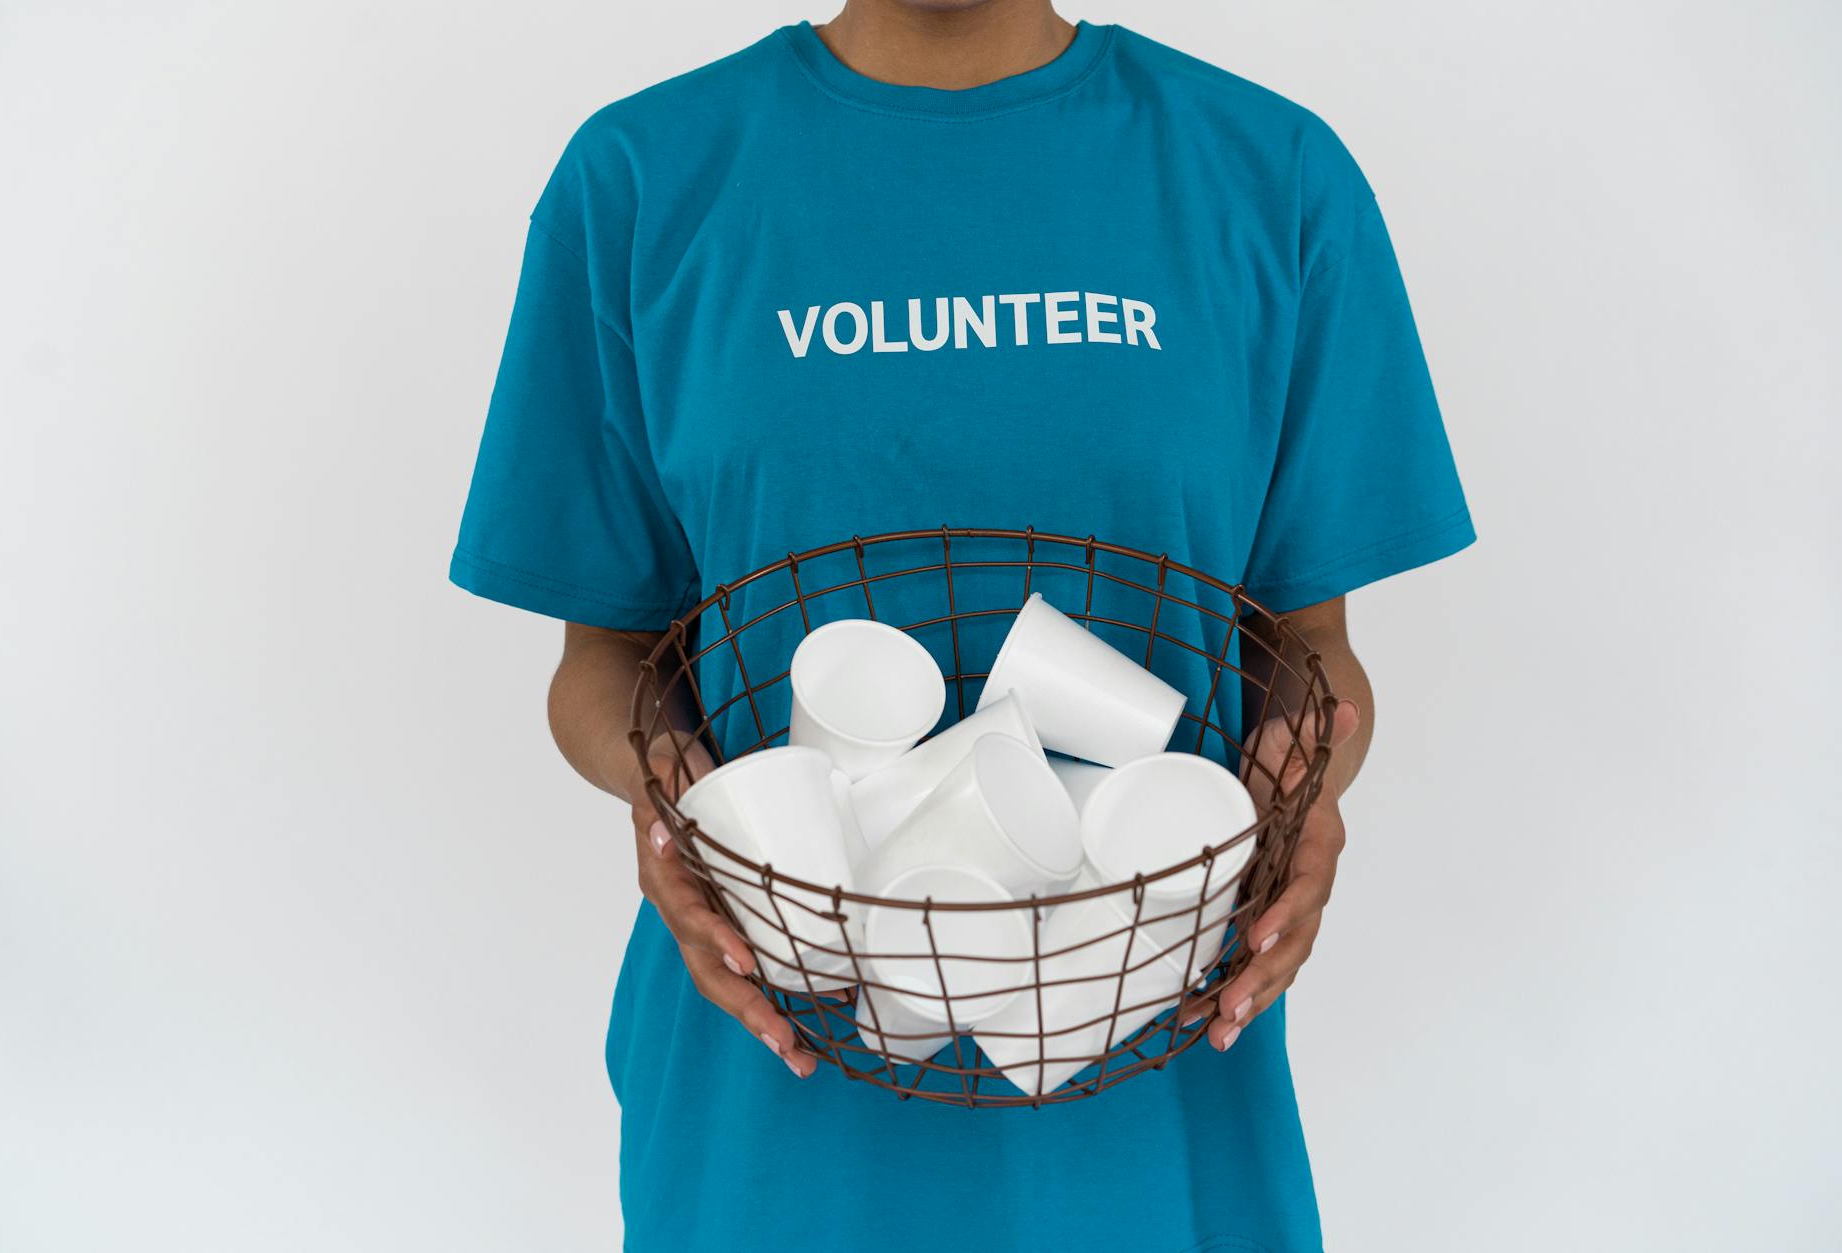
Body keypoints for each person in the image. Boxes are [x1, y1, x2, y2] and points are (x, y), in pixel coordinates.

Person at [450, 1, 1473, 1248]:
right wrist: (672, 797)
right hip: (778, 1095)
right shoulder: (644, 178)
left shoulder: (1268, 173)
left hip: (1147, 1089)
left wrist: (1305, 782)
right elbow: (599, 661)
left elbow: (1307, 645)